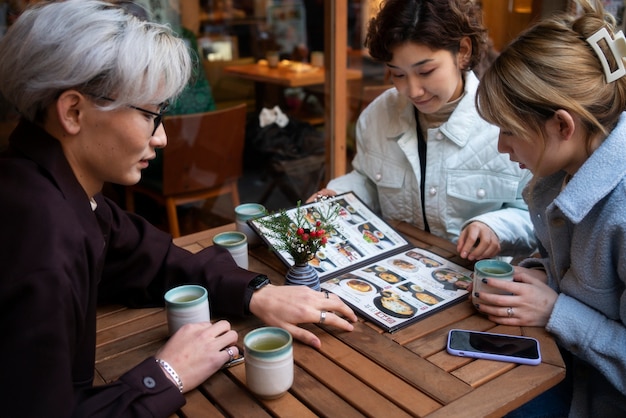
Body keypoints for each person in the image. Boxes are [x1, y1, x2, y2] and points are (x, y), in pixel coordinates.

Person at [0, 1, 357, 416]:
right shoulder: (37, 238)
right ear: (74, 112)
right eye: (151, 115)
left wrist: (257, 293)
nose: (162, 138)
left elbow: (147, 257)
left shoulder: (57, 189)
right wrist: (166, 374)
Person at [474, 0, 626, 416]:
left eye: (508, 130)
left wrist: (555, 310)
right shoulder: (563, 172)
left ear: (563, 125)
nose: (502, 147)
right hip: (567, 370)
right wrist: (537, 273)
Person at [308, 0, 536, 261]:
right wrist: (338, 195)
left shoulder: (504, 123)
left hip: (472, 279)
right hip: (393, 269)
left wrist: (496, 227)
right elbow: (368, 180)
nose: (413, 90)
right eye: (398, 75)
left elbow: (532, 214)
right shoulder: (378, 114)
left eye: (425, 71)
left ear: (462, 51)